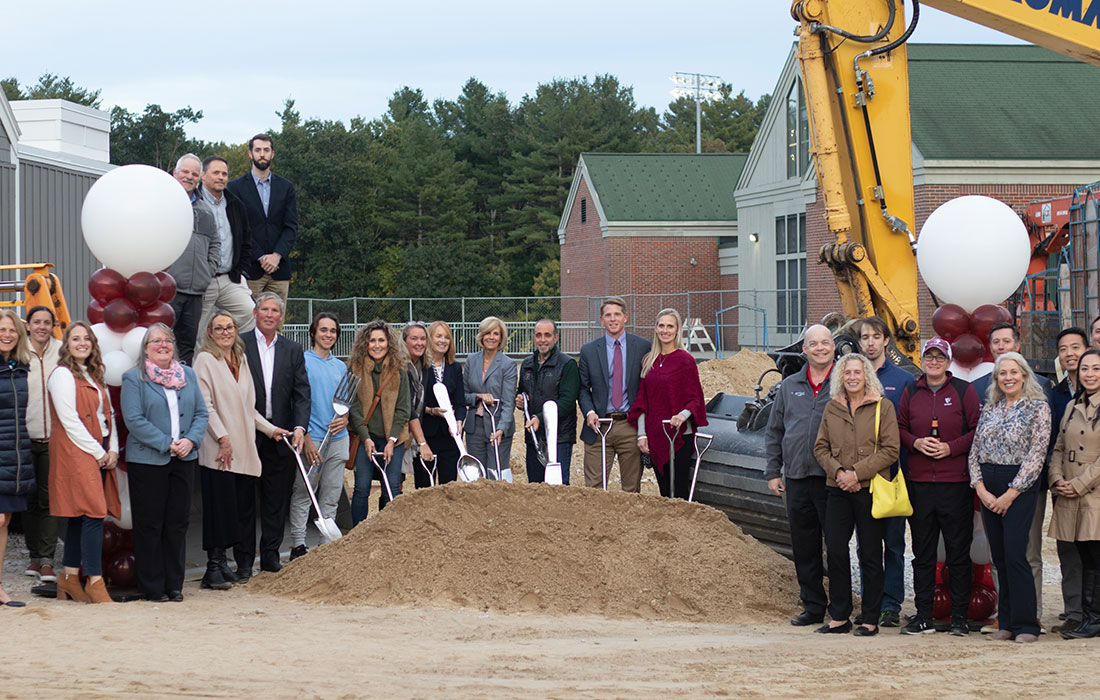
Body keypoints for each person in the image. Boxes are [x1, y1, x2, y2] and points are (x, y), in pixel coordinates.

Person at [193, 312, 290, 587]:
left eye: (230, 327)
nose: (226, 332)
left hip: (243, 448)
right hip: (219, 449)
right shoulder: (205, 360)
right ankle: (214, 566)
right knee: (219, 510)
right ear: (210, 332)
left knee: (239, 511)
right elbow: (205, 405)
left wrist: (271, 430)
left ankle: (225, 566)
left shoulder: (241, 358)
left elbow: (249, 408)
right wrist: (223, 439)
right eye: (219, 328)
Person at [971, 320, 1054, 630]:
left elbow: (1037, 453)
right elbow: (975, 450)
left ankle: (1026, 623)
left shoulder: (1037, 407)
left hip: (1020, 487)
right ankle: (1005, 624)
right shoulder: (990, 407)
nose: (1008, 377)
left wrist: (1010, 493)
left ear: (1024, 376)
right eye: (1002, 373)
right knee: (1001, 558)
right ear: (996, 378)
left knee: (1017, 555)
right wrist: (980, 488)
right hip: (989, 486)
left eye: (1013, 372)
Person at [896, 337, 981, 637]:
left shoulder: (963, 391)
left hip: (955, 484)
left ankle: (959, 616)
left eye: (939, 357)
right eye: (929, 357)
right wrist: (916, 442)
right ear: (923, 360)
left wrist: (951, 448)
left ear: (948, 361)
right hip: (919, 484)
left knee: (958, 553)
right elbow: (900, 428)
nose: (934, 362)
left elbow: (976, 430)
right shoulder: (911, 390)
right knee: (923, 554)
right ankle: (923, 616)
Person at [813, 352, 900, 637]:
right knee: (836, 551)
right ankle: (839, 615)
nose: (852, 377)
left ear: (866, 375)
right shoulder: (832, 408)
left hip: (869, 489)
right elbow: (820, 448)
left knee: (871, 554)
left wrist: (856, 474)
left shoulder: (882, 407)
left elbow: (890, 450)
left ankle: (870, 618)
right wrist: (839, 473)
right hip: (836, 490)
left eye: (857, 372)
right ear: (841, 376)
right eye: (847, 372)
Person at [121, 323, 209, 602]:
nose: (163, 345)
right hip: (148, 461)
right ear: (145, 349)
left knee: (177, 523)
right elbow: (134, 419)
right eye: (155, 341)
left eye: (167, 340)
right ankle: (152, 586)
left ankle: (174, 584)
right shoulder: (134, 378)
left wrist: (190, 441)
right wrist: (166, 443)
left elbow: (201, 414)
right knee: (150, 524)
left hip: (184, 459)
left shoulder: (189, 375)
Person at [764, 324, 835, 626]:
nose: (820, 348)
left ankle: (842, 607)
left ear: (834, 346)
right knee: (804, 545)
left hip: (831, 479)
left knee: (835, 544)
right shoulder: (789, 385)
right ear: (803, 349)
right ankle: (813, 606)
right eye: (813, 344)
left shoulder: (844, 383)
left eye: (825, 342)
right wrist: (773, 471)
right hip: (795, 477)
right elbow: (774, 430)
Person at [47, 322, 119, 604]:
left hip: (99, 447)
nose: (82, 343)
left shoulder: (95, 374)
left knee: (81, 515)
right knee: (94, 513)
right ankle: (95, 580)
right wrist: (98, 452)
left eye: (86, 338)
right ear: (66, 344)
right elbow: (69, 421)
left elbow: (108, 415)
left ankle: (68, 577)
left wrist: (112, 448)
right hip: (77, 450)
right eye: (75, 338)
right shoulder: (62, 375)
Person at [240, 292, 310, 576]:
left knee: (275, 500)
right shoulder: (239, 344)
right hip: (247, 433)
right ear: (255, 313)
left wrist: (300, 427)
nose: (269, 314)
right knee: (244, 501)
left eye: (275, 311)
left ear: (281, 317)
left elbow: (302, 393)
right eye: (264, 309)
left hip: (282, 437)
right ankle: (244, 561)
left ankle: (270, 557)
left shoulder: (293, 350)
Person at [857, 315, 916, 627]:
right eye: (864, 337)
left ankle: (891, 604)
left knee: (893, 544)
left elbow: (906, 428)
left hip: (892, 476)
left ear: (885, 341)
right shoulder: (851, 378)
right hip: (859, 478)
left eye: (875, 337)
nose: (870, 342)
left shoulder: (903, 381)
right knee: (865, 545)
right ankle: (870, 601)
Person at [289, 313, 351, 559]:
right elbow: (296, 402)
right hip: (312, 440)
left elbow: (345, 403)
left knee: (331, 495)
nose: (328, 335)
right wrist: (306, 438)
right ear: (313, 332)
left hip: (338, 440)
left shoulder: (340, 366)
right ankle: (298, 546)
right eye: (323, 330)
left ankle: (324, 548)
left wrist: (345, 418)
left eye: (333, 331)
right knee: (304, 492)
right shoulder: (302, 361)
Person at [630, 309, 707, 499]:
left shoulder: (685, 360)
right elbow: (642, 401)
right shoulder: (648, 361)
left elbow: (695, 398)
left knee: (679, 491)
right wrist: (642, 434)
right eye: (661, 325)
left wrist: (682, 415)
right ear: (656, 329)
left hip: (680, 435)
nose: (665, 330)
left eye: (670, 326)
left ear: (677, 330)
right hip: (656, 435)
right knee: (664, 492)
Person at [1050, 348, 1100, 639]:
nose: (1090, 374)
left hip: (1093, 493)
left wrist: (1079, 483)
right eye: (1085, 369)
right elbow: (1058, 446)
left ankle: (1094, 619)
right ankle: (1087, 617)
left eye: (1096, 368)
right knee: (1083, 557)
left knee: (1096, 557)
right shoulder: (1071, 405)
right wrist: (1056, 478)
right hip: (1069, 492)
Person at [578, 297, 651, 492]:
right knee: (594, 488)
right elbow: (583, 388)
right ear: (601, 320)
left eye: (617, 314)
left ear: (625, 317)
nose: (613, 319)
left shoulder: (643, 347)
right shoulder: (589, 351)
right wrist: (589, 412)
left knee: (631, 489)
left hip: (630, 426)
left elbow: (648, 386)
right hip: (599, 426)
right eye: (608, 315)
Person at [227, 134, 298, 306]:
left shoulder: (286, 187)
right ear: (250, 154)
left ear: (272, 154)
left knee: (276, 326)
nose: (262, 154)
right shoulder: (235, 188)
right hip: (250, 270)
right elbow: (238, 228)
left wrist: (276, 256)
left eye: (266, 150)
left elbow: (291, 226)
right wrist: (260, 256)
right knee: (248, 325)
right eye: (258, 150)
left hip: (279, 270)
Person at [349, 320, 409, 524]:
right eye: (372, 340)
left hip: (393, 438)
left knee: (392, 486)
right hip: (366, 437)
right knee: (362, 487)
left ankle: (391, 531)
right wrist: (365, 438)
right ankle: (357, 532)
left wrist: (392, 440)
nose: (376, 345)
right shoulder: (355, 369)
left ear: (388, 343)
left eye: (381, 340)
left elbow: (403, 409)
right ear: (365, 343)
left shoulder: (399, 370)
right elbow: (354, 407)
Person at [167, 152, 220, 364]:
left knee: (187, 346)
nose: (189, 177)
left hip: (196, 291)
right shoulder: (162, 203)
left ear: (200, 178)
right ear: (175, 173)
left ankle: (182, 389)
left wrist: (208, 271)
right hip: (169, 289)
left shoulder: (205, 210)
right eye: (185, 172)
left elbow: (215, 242)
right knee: (163, 341)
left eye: (194, 174)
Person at [1052, 327, 1088, 630]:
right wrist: (1056, 480)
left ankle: (1092, 612)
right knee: (1068, 551)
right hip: (1063, 484)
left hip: (1092, 486)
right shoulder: (1056, 393)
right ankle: (1074, 611)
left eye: (1076, 347)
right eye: (1064, 349)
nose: (1070, 354)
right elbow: (1056, 443)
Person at [22, 305, 61, 584]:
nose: (42, 327)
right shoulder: (17, 352)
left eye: (47, 322)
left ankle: (46, 560)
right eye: (37, 322)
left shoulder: (62, 352)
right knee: (28, 499)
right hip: (23, 438)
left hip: (54, 439)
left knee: (50, 499)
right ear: (28, 325)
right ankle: (33, 556)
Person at [197, 156, 255, 335]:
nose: (221, 177)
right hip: (202, 280)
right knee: (197, 333)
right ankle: (200, 363)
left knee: (251, 315)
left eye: (224, 174)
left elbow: (246, 241)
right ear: (203, 175)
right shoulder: (192, 203)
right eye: (216, 173)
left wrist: (240, 270)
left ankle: (239, 361)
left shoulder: (235, 204)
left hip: (230, 279)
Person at [0, 310, 34, 606]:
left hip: (14, 454)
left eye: (12, 330)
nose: (7, 334)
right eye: (1, 329)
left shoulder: (20, 367)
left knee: (4, 521)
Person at [518, 319, 579, 484]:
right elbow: (522, 392)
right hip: (534, 437)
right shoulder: (527, 365)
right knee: (536, 487)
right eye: (538, 335)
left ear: (556, 337)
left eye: (547, 335)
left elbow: (567, 402)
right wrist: (520, 400)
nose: (542, 339)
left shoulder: (567, 364)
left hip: (559, 437)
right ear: (534, 337)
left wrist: (539, 417)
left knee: (557, 486)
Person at [463, 317, 517, 482]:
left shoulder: (508, 365)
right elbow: (463, 395)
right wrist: (478, 396)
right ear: (481, 335)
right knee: (476, 477)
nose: (491, 337)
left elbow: (509, 402)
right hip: (474, 428)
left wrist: (501, 429)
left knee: (496, 476)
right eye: (487, 333)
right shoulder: (471, 360)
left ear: (501, 338)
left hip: (497, 427)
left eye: (496, 333)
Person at [420, 321, 466, 485]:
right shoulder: (421, 367)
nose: (443, 340)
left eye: (447, 337)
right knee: (425, 486)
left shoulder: (454, 368)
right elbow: (414, 404)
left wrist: (459, 422)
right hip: (426, 434)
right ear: (429, 339)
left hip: (450, 436)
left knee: (449, 486)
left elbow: (460, 403)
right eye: (438, 336)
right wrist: (431, 411)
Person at [401, 322, 436, 490]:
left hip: (414, 428)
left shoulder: (424, 366)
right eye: (414, 339)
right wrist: (410, 433)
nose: (419, 343)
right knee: (395, 481)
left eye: (423, 339)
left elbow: (418, 403)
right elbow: (406, 404)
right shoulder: (400, 367)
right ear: (404, 341)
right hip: (399, 429)